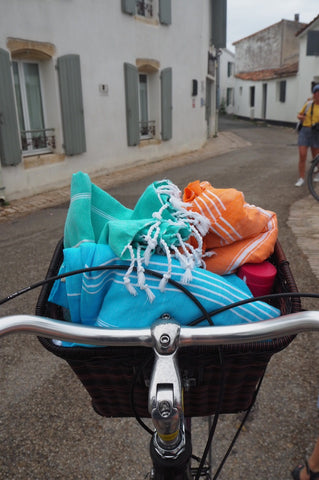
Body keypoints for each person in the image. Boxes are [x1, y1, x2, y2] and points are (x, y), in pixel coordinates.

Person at [295, 83, 319, 187]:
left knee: (316, 157)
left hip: (316, 133)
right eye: (316, 93)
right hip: (305, 131)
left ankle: (317, 174)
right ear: (314, 94)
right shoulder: (309, 104)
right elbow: (299, 115)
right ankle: (301, 178)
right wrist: (301, 117)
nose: (318, 95)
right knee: (302, 155)